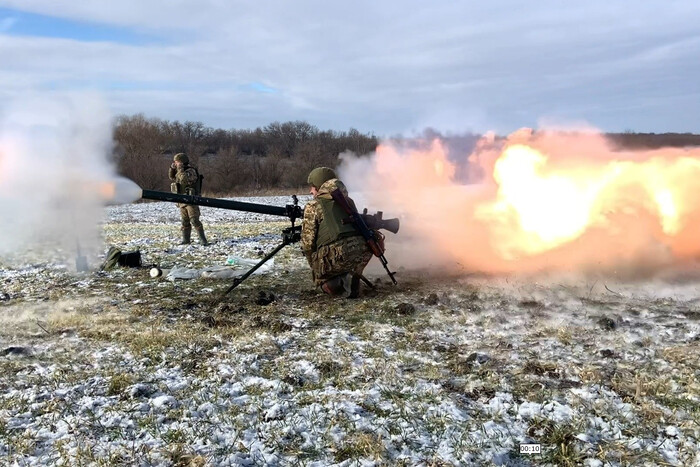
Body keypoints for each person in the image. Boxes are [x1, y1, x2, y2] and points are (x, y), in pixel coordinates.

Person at [300, 167, 373, 298]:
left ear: (319, 185)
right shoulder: (349, 201)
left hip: (337, 255)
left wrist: (316, 268)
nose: (310, 191)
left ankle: (335, 286)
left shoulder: (313, 206)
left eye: (312, 187)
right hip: (361, 254)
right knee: (342, 261)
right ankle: (351, 277)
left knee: (322, 278)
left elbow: (307, 244)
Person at [168, 153, 208, 245]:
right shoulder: (179, 171)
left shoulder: (191, 171)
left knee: (194, 220)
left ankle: (203, 240)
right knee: (184, 221)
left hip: (191, 200)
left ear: (182, 162)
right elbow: (171, 177)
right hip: (182, 200)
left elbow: (183, 180)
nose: (175, 163)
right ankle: (186, 240)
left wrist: (180, 169)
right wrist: (172, 169)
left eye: (177, 162)